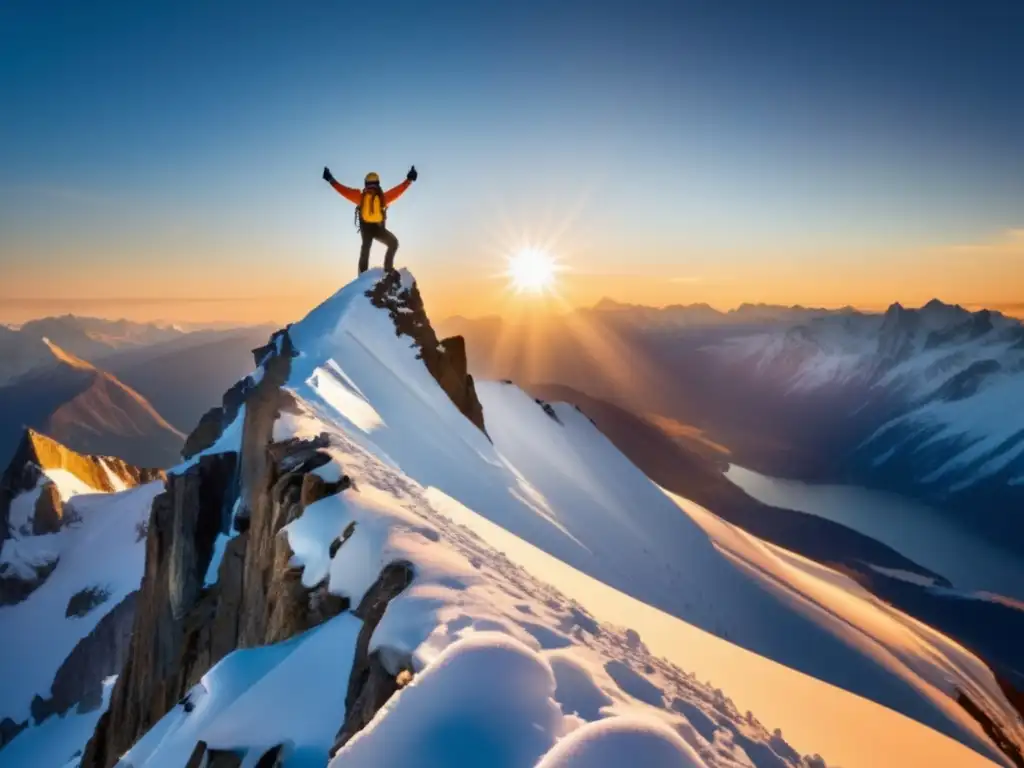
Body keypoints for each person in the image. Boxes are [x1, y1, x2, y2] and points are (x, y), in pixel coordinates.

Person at [322, 165, 418, 274]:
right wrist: (409, 180)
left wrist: (330, 179)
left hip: (366, 228)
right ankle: (388, 269)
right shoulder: (383, 198)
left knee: (365, 249)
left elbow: (343, 190)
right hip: (379, 228)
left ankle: (363, 274)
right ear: (378, 183)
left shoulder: (360, 197)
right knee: (393, 243)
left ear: (366, 183)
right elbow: (397, 191)